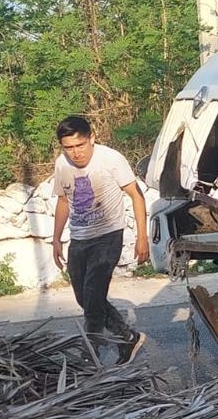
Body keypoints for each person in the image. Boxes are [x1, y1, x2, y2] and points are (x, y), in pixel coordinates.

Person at [50, 115, 150, 364]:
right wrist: (56, 240)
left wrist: (142, 238)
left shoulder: (111, 159)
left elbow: (137, 196)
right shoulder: (62, 164)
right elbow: (63, 201)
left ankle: (89, 357)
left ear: (91, 138)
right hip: (79, 238)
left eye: (80, 145)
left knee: (93, 299)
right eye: (68, 147)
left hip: (108, 237)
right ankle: (127, 337)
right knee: (84, 298)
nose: (75, 153)